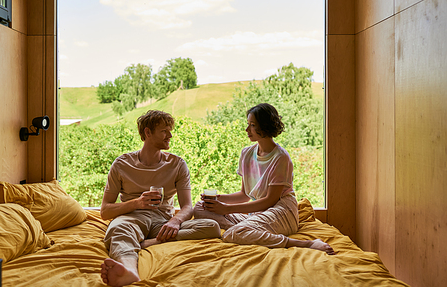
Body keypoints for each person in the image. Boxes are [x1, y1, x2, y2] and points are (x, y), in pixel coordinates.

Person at [99, 110, 221, 287]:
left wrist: (175, 222)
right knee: (118, 229)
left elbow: (187, 206)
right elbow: (105, 211)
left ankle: (147, 243)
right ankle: (129, 272)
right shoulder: (122, 164)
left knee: (212, 227)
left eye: (170, 130)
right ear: (148, 133)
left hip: (163, 222)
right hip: (131, 218)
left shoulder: (177, 164)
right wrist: (137, 203)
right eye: (164, 131)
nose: (170, 135)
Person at [194, 103, 335, 255]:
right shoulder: (247, 154)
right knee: (200, 207)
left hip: (281, 210)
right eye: (248, 124)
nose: (247, 130)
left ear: (265, 126)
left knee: (232, 234)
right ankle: (249, 229)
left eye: (252, 125)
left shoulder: (281, 158)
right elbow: (244, 195)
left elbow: (270, 201)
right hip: (256, 213)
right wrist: (217, 200)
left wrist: (226, 209)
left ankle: (305, 243)